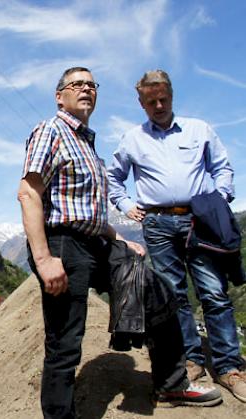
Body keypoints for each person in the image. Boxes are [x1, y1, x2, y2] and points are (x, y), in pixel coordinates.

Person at [18, 66, 222, 418]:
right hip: (64, 245)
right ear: (59, 96)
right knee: (65, 343)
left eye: (91, 84)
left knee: (158, 292)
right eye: (76, 84)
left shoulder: (86, 140)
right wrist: (44, 258)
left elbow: (88, 210)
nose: (85, 89)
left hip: (96, 242)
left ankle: (172, 383)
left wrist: (120, 241)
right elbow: (28, 193)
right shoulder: (50, 130)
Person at [107, 69, 246, 403]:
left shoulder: (199, 129)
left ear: (171, 96)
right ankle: (192, 360)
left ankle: (230, 368)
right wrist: (126, 205)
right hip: (156, 224)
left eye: (163, 99)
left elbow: (222, 168)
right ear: (141, 103)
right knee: (174, 296)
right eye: (151, 101)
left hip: (199, 222)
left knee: (213, 292)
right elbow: (113, 177)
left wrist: (219, 198)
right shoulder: (132, 139)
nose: (158, 105)